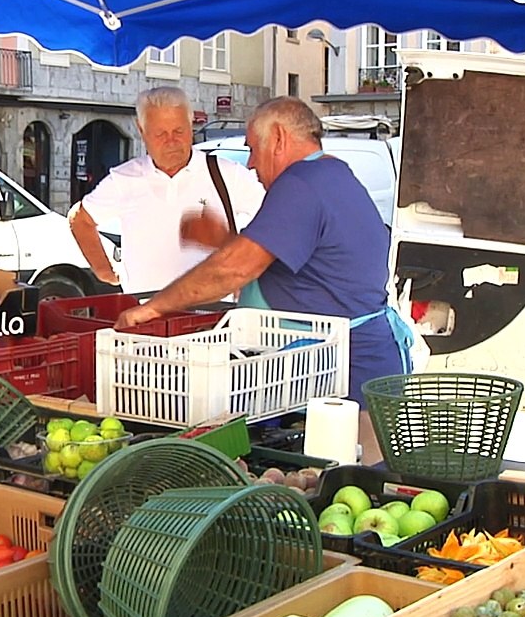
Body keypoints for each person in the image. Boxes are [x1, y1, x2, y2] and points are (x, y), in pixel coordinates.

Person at [114, 96, 406, 464]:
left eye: (253, 148)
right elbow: (298, 259)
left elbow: (235, 269)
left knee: (360, 489)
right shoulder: (334, 174)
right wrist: (220, 240)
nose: (251, 163)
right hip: (362, 371)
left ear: (280, 138)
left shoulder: (299, 184)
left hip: (349, 385)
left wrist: (152, 308)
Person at [68, 87, 265, 294]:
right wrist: (104, 271)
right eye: (160, 133)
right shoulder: (124, 179)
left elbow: (276, 227)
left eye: (179, 131)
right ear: (141, 130)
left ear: (191, 126)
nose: (171, 141)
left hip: (214, 316)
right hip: (144, 315)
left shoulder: (228, 175)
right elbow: (80, 219)